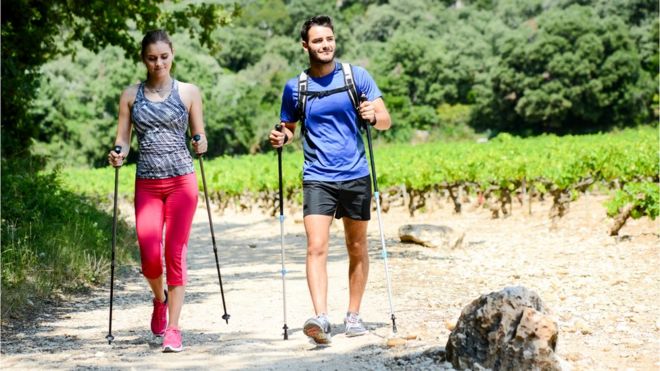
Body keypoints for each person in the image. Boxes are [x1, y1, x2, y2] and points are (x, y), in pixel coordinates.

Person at [269, 15, 391, 345]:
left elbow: (385, 120)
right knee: (316, 247)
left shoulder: (356, 76)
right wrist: (282, 137)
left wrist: (373, 115)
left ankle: (353, 316)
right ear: (305, 45)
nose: (325, 45)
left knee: (356, 246)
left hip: (355, 174)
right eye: (318, 40)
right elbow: (289, 129)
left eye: (329, 39)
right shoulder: (296, 87)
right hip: (317, 177)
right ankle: (321, 318)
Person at [108, 29, 207, 353]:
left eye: (164, 57)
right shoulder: (130, 95)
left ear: (172, 55)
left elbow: (199, 135)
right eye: (152, 58)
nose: (158, 63)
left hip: (181, 181)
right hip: (147, 182)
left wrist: (200, 142)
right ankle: (159, 298)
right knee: (150, 258)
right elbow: (123, 137)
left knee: (174, 254)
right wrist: (118, 152)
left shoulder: (189, 92)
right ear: (143, 59)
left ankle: (174, 329)